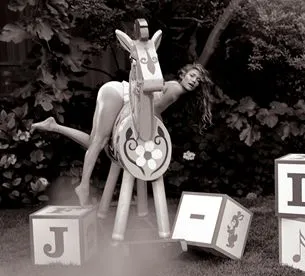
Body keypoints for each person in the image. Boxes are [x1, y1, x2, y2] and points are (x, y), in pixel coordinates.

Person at [31, 63, 213, 206]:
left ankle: (54, 126)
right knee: (99, 142)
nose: (194, 81)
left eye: (198, 80)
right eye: (192, 75)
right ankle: (83, 186)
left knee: (93, 143)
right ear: (183, 74)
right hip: (120, 95)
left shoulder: (175, 89)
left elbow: (152, 108)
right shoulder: (175, 90)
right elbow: (151, 110)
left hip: (115, 92)